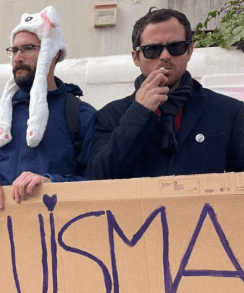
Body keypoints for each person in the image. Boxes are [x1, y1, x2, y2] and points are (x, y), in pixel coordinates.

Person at [0, 6, 96, 218]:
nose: (18, 57)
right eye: (14, 50)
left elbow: (99, 182)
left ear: (53, 53)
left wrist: (52, 183)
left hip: (61, 237)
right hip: (6, 238)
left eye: (28, 48)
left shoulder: (80, 115)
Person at [88, 8, 244, 180]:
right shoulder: (110, 116)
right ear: (136, 57)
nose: (165, 56)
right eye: (152, 49)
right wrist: (139, 112)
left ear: (190, 50)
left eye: (175, 47)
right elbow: (97, 177)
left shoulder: (229, 112)